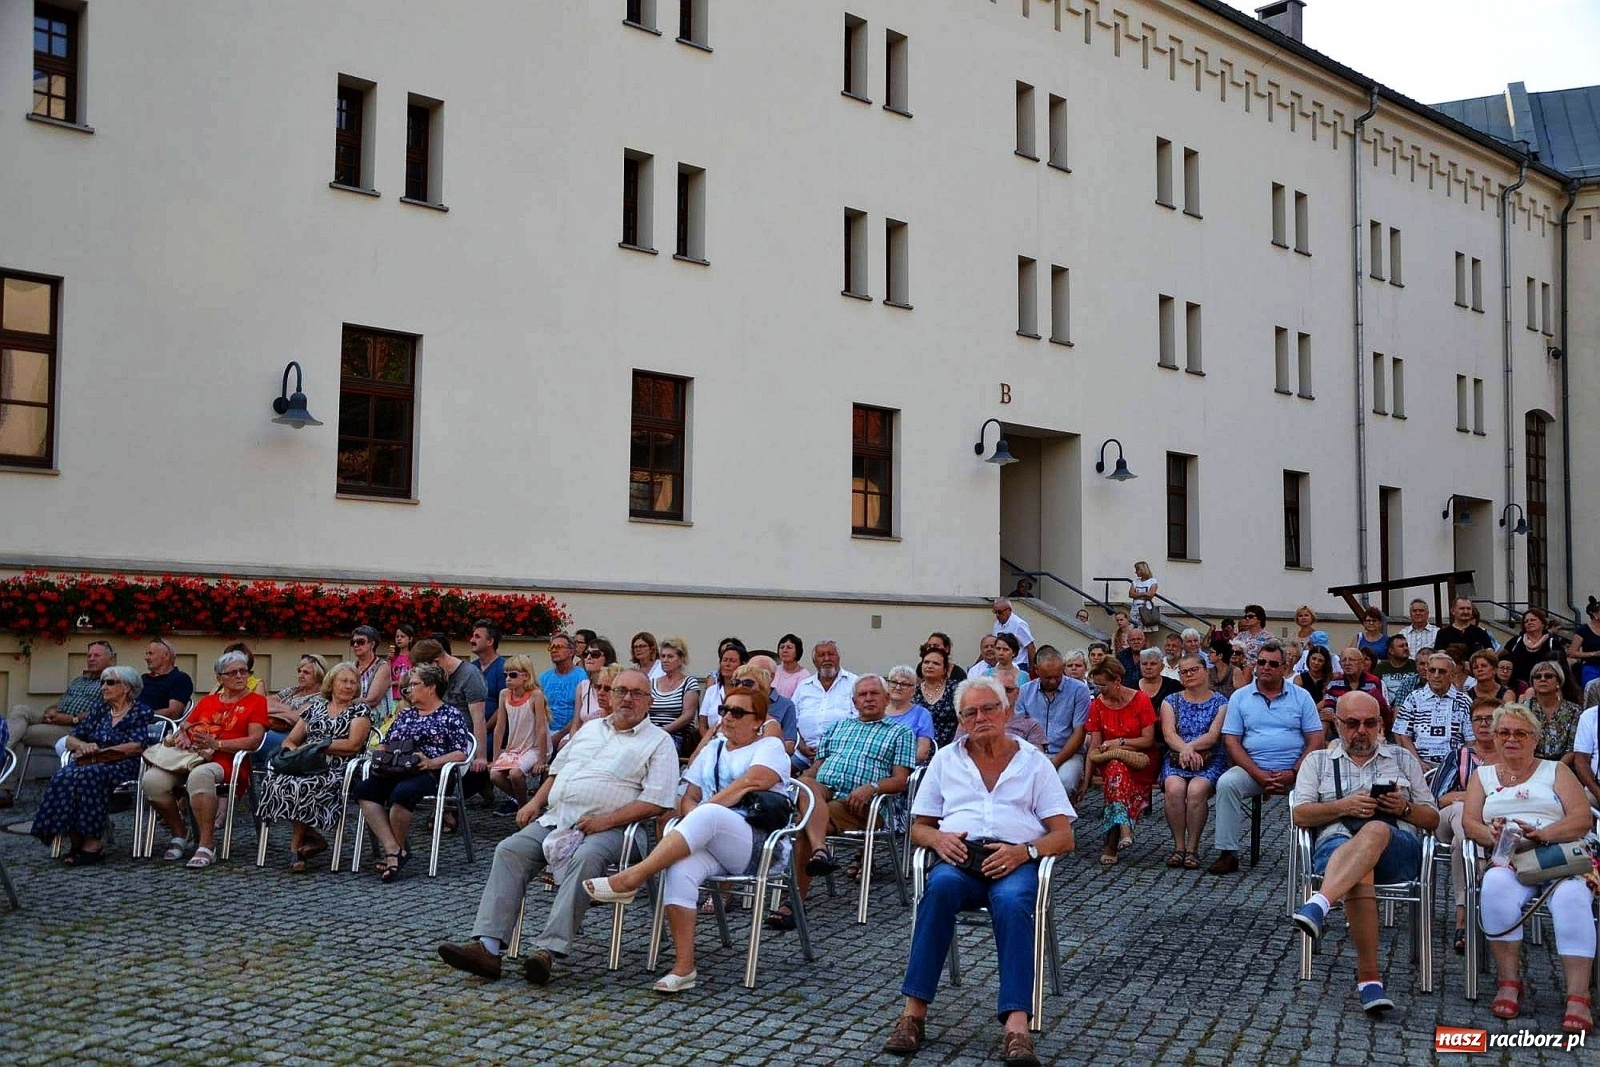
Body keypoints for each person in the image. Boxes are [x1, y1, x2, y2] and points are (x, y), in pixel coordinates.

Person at [436, 668, 678, 985]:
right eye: (620, 691)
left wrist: (604, 821)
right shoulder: (590, 730)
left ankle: (548, 951)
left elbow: (658, 801)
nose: (626, 699)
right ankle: (488, 948)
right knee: (510, 849)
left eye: (636, 693)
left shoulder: (659, 742)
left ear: (649, 702)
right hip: (559, 819)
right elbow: (556, 773)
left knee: (586, 857)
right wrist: (535, 803)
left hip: (617, 829)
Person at [880, 676, 1075, 1065]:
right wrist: (937, 840)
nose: (980, 717)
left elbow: (1064, 836)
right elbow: (919, 826)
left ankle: (1017, 1027)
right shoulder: (945, 760)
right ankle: (912, 1015)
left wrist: (1025, 851)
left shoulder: (1033, 762)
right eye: (970, 712)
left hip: (1014, 859)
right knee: (938, 891)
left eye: (988, 708)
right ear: (960, 720)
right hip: (961, 858)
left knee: (1014, 900)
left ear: (1007, 711)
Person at [582, 685, 791, 993]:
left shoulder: (769, 746)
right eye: (724, 710)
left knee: (707, 815)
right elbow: (688, 796)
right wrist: (699, 814)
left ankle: (633, 878)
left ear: (757, 720)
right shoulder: (713, 748)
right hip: (710, 838)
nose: (728, 718)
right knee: (679, 870)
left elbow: (753, 781)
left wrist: (704, 812)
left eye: (738, 712)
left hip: (759, 844)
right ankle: (684, 968)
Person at [1289, 692, 1439, 1016]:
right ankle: (1369, 980)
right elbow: (1299, 815)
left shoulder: (1402, 759)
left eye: (1370, 723)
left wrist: (1405, 808)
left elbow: (1433, 819)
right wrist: (1342, 806)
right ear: (1338, 725)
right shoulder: (1317, 761)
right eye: (1353, 723)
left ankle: (1321, 902)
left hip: (1397, 850)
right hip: (1337, 845)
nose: (1362, 731)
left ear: (1381, 724)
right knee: (1361, 870)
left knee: (1376, 829)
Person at [1462, 703, 1596, 1032]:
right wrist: (1488, 834)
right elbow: (1469, 823)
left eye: (1520, 733)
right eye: (1504, 732)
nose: (1511, 739)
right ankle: (1509, 982)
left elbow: (1581, 818)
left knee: (1572, 898)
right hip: (1510, 857)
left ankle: (1578, 997)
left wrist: (1544, 833)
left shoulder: (1556, 771)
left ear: (1535, 738)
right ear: (1493, 737)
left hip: (1558, 854)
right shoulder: (1483, 776)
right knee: (1494, 888)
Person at [794, 676, 915, 907]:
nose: (868, 699)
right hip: (824, 791)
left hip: (860, 803)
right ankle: (821, 850)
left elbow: (900, 781)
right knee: (807, 786)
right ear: (854, 702)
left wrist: (872, 787)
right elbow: (816, 767)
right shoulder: (839, 727)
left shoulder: (901, 733)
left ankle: (793, 904)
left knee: (803, 822)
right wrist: (802, 782)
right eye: (862, 695)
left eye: (874, 694)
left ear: (886, 698)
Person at [142, 650, 269, 869]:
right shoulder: (208, 701)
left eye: (244, 671)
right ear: (220, 678)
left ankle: (207, 844)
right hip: (190, 758)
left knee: (200, 776)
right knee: (152, 780)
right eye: (233, 672)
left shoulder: (256, 702)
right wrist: (182, 737)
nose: (241, 676)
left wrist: (218, 745)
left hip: (227, 761)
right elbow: (185, 727)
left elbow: (254, 740)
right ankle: (180, 833)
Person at [1209, 640, 1324, 875]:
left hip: (1296, 770)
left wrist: (1293, 771)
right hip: (1253, 768)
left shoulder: (1301, 697)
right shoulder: (1240, 697)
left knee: (1323, 790)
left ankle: (1320, 854)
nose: (1266, 667)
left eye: (1273, 663)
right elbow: (1231, 741)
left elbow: (1315, 740)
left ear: (1284, 667)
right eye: (1261, 662)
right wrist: (1257, 773)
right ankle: (1227, 852)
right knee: (1226, 783)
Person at [355, 663, 473, 883]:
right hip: (397, 769)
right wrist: (383, 750)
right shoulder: (406, 714)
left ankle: (395, 854)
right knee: (364, 790)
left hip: (430, 772)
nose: (407, 690)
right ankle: (394, 848)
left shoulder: (450, 714)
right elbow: (387, 741)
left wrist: (431, 762)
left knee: (402, 794)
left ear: (431, 687)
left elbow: (460, 753)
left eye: (413, 685)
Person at [30, 665, 153, 864]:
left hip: (123, 763)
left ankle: (93, 844)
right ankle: (75, 840)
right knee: (64, 776)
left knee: (90, 776)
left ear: (127, 688)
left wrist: (104, 751)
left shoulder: (140, 711)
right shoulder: (100, 710)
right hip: (93, 760)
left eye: (110, 682)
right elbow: (71, 739)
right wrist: (85, 745)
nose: (104, 687)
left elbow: (137, 746)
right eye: (102, 682)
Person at [256, 661, 373, 871]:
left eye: (353, 683)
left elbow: (353, 745)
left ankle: (295, 849)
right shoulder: (316, 708)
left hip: (341, 768)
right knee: (278, 781)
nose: (349, 686)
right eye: (344, 681)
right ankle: (312, 839)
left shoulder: (360, 710)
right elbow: (289, 741)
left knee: (303, 786)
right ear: (331, 683)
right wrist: (298, 754)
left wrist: (319, 747)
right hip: (308, 764)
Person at [2, 639, 117, 805]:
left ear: (110, 659)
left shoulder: (112, 682)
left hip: (73, 729)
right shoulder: (79, 680)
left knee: (21, 733)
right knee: (20, 710)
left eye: (96, 655)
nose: (91, 658)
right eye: (89, 655)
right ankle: (3, 758)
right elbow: (62, 702)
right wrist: (52, 711)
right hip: (57, 718)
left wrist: (71, 718)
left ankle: (5, 788)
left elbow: (105, 711)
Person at [1433, 698, 1502, 954]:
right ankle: (1484, 887)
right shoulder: (1459, 755)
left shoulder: (1511, 757)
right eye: (1478, 719)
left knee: (1463, 843)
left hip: (1490, 825)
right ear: (1470, 724)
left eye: (1490, 719)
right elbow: (1441, 797)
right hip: (1451, 818)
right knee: (1464, 813)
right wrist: (1475, 799)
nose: (1484, 724)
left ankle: (1462, 918)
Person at [1084, 659, 1157, 865]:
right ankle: (1123, 827)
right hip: (1110, 763)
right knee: (1117, 770)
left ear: (1117, 681)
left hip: (1140, 760)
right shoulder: (1097, 705)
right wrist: (1086, 779)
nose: (1099, 690)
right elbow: (1095, 747)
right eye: (1095, 685)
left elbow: (1148, 740)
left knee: (1119, 772)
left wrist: (1120, 743)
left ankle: (1111, 843)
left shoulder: (1141, 700)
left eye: (1102, 685)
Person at [1158, 654, 1227, 869]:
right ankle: (1178, 846)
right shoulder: (1171, 701)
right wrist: (1185, 750)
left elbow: (1213, 735)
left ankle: (1193, 847)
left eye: (1193, 670)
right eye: (1183, 672)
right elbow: (1169, 734)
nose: (1188, 675)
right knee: (1174, 788)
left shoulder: (1221, 702)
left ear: (1205, 670)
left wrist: (1192, 748)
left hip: (1209, 757)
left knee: (1196, 791)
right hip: (1177, 757)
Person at [411, 637, 489, 806]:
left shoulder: (469, 675)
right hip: (437, 737)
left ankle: (445, 807)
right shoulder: (438, 677)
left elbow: (479, 718)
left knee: (446, 766)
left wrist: (481, 757)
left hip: (462, 738)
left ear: (436, 662)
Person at [1014, 648, 1092, 796]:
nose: (1053, 681)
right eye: (1047, 677)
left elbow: (1079, 732)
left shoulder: (1079, 690)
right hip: (1033, 752)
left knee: (1065, 783)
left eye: (1057, 676)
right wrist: (1039, 758)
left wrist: (1054, 762)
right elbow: (1020, 731)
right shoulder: (1024, 692)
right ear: (1036, 670)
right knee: (1022, 784)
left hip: (1068, 753)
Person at [488, 655, 550, 814]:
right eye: (505, 675)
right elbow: (500, 727)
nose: (508, 678)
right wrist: (496, 758)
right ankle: (524, 803)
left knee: (515, 774)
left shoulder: (536, 695)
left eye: (513, 674)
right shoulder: (504, 695)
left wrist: (542, 760)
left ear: (526, 676)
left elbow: (541, 728)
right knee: (495, 775)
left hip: (534, 747)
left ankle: (523, 809)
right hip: (514, 747)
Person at [1393, 653, 1472, 768]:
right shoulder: (1413, 698)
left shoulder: (1464, 702)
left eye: (1442, 671)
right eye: (1432, 670)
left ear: (1452, 675)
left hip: (1454, 765)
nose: (1436, 675)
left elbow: (1471, 740)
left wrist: (1456, 764)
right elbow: (1403, 735)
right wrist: (1417, 763)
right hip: (1418, 763)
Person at [791, 640, 858, 768]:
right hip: (803, 753)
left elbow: (859, 721)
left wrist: (828, 749)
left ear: (838, 658)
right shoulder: (804, 686)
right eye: (821, 655)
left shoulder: (854, 683)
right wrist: (802, 746)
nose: (827, 658)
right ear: (814, 661)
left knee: (814, 779)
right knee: (777, 771)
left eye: (831, 654)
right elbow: (791, 722)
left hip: (839, 753)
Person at [263, 654, 328, 762]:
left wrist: (274, 711)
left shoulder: (320, 697)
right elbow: (264, 702)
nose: (300, 675)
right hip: (274, 728)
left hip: (295, 739)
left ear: (318, 675)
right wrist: (288, 709)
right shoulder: (293, 690)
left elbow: (296, 718)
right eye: (299, 671)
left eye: (306, 673)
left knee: (258, 737)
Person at [647, 635, 701, 754]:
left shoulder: (689, 682)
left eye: (670, 656)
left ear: (681, 660)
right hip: (649, 735)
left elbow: (688, 715)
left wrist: (662, 732)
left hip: (675, 736)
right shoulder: (652, 683)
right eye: (663, 656)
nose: (665, 660)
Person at [1320, 648, 1391, 736]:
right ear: (1340, 665)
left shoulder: (1374, 682)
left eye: (1352, 660)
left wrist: (1338, 717)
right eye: (1343, 660)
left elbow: (1380, 713)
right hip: (1341, 732)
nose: (1347, 663)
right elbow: (1327, 714)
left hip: (1368, 729)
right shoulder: (1333, 685)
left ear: (1362, 663)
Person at [1526, 661, 1582, 759]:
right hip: (1529, 764)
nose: (1542, 679)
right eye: (1538, 676)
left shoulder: (1574, 710)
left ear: (1558, 682)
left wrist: (1556, 770)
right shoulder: (1523, 709)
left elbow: (1572, 748)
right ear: (1532, 682)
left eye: (1548, 676)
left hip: (1563, 767)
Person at [469, 621, 507, 753]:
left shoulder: (504, 668)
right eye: (473, 636)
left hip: (494, 729)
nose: (472, 640)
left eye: (477, 637)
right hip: (471, 729)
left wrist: (483, 729)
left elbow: (504, 705)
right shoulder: (470, 668)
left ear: (490, 641)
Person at [885, 666, 936, 765]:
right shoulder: (878, 711)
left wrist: (895, 766)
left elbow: (922, 753)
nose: (898, 687)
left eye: (904, 684)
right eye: (894, 682)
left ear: (913, 690)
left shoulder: (922, 714)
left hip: (905, 769)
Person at [1501, 608, 1564, 688]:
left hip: (1545, 686)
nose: (1529, 623)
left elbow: (1562, 666)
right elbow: (1501, 658)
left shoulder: (1552, 643)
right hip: (1517, 687)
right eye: (1526, 621)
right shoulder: (1515, 641)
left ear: (1542, 623)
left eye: (1533, 620)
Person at [348, 626, 394, 733]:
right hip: (351, 720)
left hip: (375, 725)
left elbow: (372, 700)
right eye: (353, 642)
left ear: (372, 644)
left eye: (360, 642)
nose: (355, 645)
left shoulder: (382, 667)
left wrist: (345, 702)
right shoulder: (350, 667)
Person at [913, 645, 959, 748]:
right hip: (917, 750)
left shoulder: (955, 689)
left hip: (950, 749)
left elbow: (963, 720)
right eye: (926, 662)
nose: (929, 666)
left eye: (936, 663)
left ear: (944, 670)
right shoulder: (913, 691)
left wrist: (953, 748)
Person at [539, 634, 585, 738]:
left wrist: (559, 735)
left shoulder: (582, 677)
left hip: (572, 733)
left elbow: (581, 713)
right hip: (545, 732)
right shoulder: (543, 678)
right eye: (551, 647)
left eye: (559, 647)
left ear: (571, 652)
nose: (554, 650)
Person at [699, 641, 747, 738]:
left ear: (742, 665)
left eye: (732, 661)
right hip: (712, 741)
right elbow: (702, 725)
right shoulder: (712, 691)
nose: (727, 664)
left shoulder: (746, 692)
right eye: (724, 660)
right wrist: (708, 742)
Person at [141, 637, 194, 720]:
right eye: (146, 654)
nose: (146, 658)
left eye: (150, 654)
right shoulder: (143, 678)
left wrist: (140, 716)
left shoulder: (180, 679)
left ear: (166, 655)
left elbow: (172, 713)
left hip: (157, 729)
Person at [1372, 635, 1421, 711]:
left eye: (1406, 645)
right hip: (1387, 709)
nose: (1405, 648)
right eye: (1401, 646)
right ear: (1391, 651)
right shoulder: (1381, 668)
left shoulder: (1415, 666)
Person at [1134, 648, 1181, 721]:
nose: (1148, 667)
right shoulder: (1130, 687)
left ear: (1162, 667)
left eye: (1153, 664)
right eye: (1144, 664)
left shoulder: (1174, 686)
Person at [991, 598, 1036, 672]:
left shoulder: (1019, 624)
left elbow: (1030, 647)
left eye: (999, 612)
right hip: (1002, 665)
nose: (997, 615)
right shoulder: (997, 624)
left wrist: (1031, 669)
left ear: (1009, 610)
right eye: (995, 612)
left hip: (1019, 665)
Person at [1568, 597, 1600, 689]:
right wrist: (1594, 654)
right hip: (1592, 668)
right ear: (1595, 614)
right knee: (1592, 696)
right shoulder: (1583, 630)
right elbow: (1572, 653)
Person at [773, 633, 812, 699]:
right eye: (782, 647)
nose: (784, 650)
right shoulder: (774, 670)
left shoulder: (804, 675)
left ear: (798, 651)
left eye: (789, 648)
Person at [1128, 561, 1160, 631]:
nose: (1136, 572)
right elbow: (1131, 594)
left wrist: (1136, 595)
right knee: (1133, 630)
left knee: (1146, 631)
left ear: (1142, 570)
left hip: (1146, 609)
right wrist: (1144, 593)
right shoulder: (1136, 581)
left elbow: (1150, 595)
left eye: (1137, 570)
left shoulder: (1152, 581)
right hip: (1135, 609)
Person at [389, 623, 416, 704]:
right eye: (397, 636)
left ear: (410, 639)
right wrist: (388, 660)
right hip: (394, 697)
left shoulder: (414, 657)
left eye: (402, 636)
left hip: (409, 697)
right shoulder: (393, 657)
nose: (399, 639)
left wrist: (395, 683)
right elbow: (386, 675)